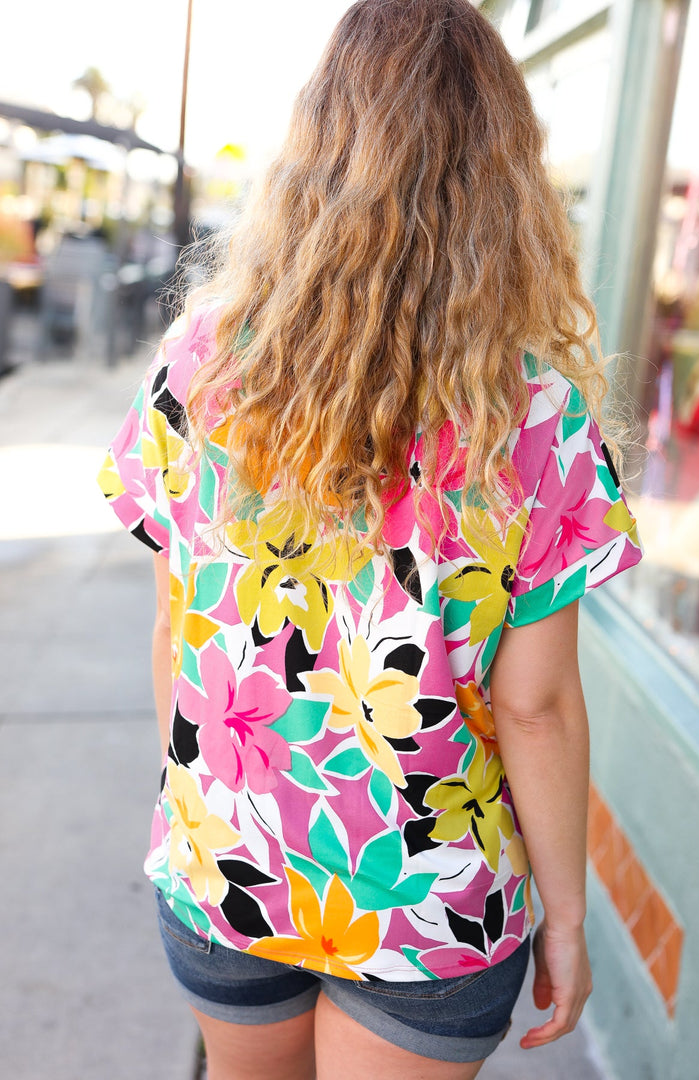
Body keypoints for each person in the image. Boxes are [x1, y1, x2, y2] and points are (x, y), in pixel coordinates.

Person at [98, 2, 642, 1077]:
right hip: (430, 909)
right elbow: (534, 708)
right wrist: (568, 922)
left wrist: (200, 812)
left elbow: (177, 626)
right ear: (506, 178)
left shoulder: (202, 368)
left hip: (231, 863)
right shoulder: (535, 420)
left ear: (315, 148)